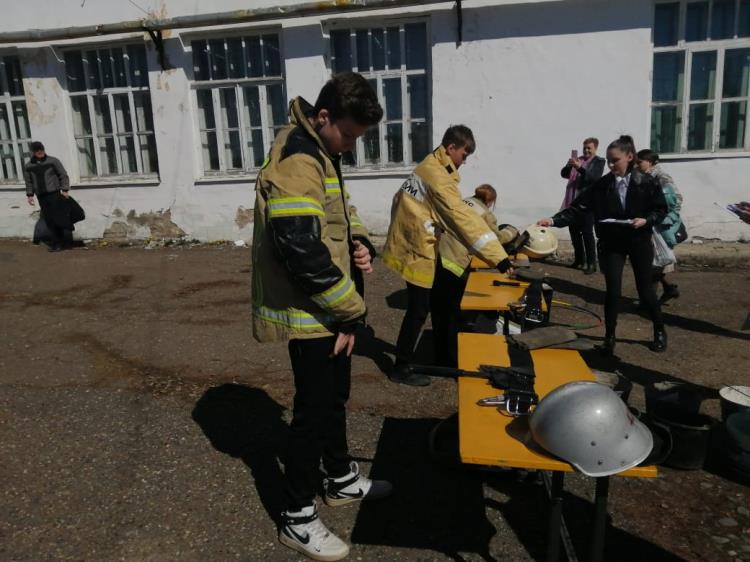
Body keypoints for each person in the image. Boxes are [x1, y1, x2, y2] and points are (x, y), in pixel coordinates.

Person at [251, 72, 391, 562]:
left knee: (334, 399)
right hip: (314, 313)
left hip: (330, 312)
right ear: (324, 116)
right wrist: (352, 312)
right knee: (311, 414)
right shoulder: (298, 157)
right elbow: (301, 249)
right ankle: (296, 516)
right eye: (348, 135)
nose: (351, 146)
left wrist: (360, 242)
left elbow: (339, 214)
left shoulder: (322, 151)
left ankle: (339, 477)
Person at [382, 125, 513, 386]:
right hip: (419, 248)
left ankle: (434, 357)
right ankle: (401, 368)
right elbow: (461, 218)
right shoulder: (438, 176)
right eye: (463, 155)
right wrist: (499, 257)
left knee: (432, 305)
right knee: (419, 311)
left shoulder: (429, 166)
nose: (464, 161)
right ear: (451, 148)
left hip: (416, 242)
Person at [538, 135, 668, 355]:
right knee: (613, 291)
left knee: (645, 290)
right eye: (608, 161)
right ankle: (609, 337)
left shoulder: (646, 181)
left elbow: (661, 209)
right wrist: (553, 221)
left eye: (615, 160)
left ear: (629, 157)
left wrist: (646, 220)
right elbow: (578, 208)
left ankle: (659, 330)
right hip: (612, 241)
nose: (610, 165)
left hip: (638, 240)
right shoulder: (603, 184)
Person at [432, 184, 520, 367]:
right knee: (453, 309)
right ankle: (449, 355)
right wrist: (512, 231)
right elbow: (495, 238)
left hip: (438, 255)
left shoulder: (462, 202)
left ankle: (440, 351)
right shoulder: (485, 213)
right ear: (491, 201)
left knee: (440, 309)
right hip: (455, 261)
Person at [637, 149, 683, 304]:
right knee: (654, 264)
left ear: (650, 162)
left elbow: (677, 199)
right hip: (650, 225)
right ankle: (668, 289)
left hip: (660, 227)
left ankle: (649, 303)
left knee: (654, 265)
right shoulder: (644, 176)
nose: (637, 165)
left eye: (640, 162)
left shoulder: (661, 177)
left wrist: (665, 219)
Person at [560, 137, 606, 274]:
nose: (586, 150)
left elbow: (594, 178)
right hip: (572, 201)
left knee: (587, 233)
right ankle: (579, 260)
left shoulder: (599, 161)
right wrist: (569, 165)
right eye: (584, 148)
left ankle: (591, 263)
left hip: (587, 203)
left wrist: (579, 168)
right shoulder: (578, 159)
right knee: (574, 232)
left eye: (589, 148)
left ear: (595, 148)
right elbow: (564, 174)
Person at [24, 141, 72, 252]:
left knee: (57, 218)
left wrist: (65, 190)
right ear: (33, 152)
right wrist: (30, 195)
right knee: (49, 219)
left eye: (41, 149)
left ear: (44, 149)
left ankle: (60, 242)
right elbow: (28, 182)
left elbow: (63, 175)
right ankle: (57, 242)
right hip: (41, 196)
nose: (40, 152)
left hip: (54, 194)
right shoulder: (28, 166)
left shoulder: (53, 161)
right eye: (37, 150)